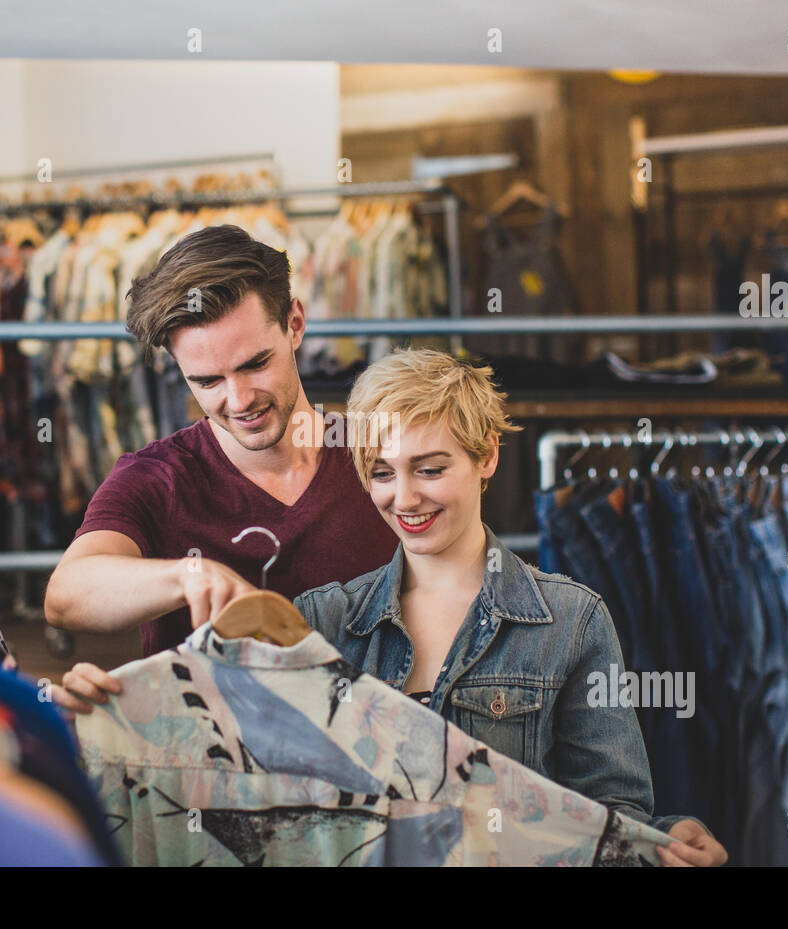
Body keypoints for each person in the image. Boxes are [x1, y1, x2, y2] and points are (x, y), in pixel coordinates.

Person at [291, 349, 726, 867]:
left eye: (429, 469)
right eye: (382, 473)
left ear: (487, 456)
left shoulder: (571, 620)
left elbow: (607, 815)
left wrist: (662, 835)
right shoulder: (323, 622)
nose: (404, 498)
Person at [45, 224, 396, 700]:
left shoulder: (382, 454)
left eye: (255, 364)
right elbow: (67, 595)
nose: (239, 399)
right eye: (208, 381)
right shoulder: (154, 480)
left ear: (294, 324)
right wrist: (189, 575)